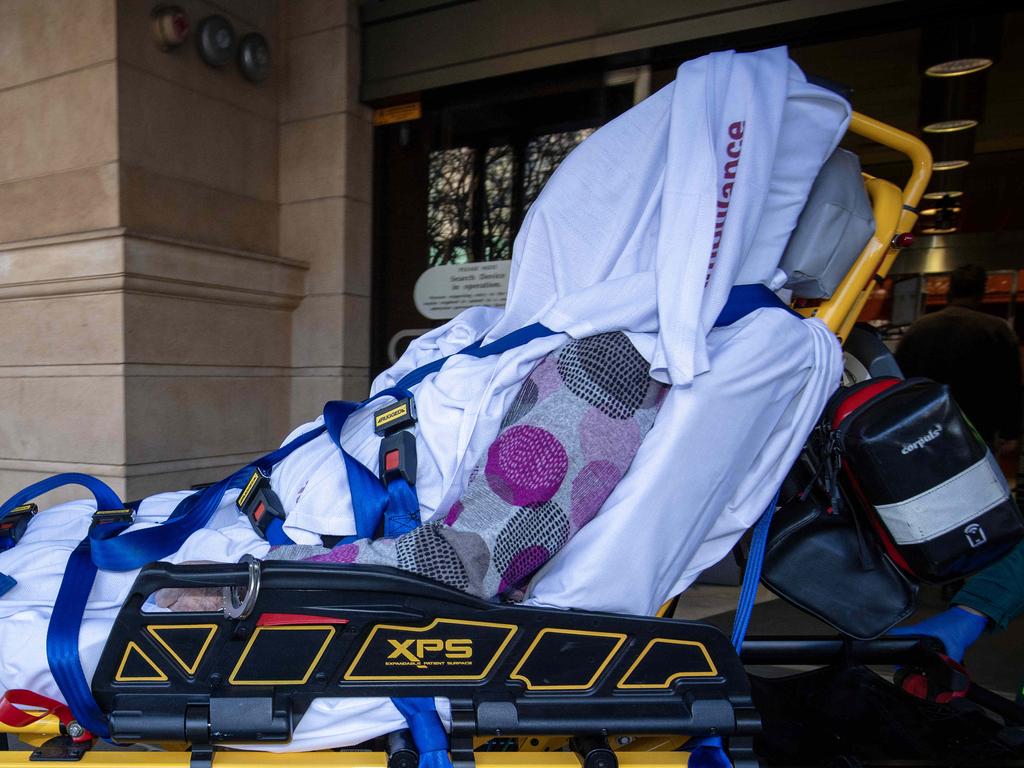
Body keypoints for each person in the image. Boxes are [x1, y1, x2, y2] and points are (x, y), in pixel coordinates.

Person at [895, 264, 1021, 450]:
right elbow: (1009, 385)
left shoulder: (919, 328)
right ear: (981, 291)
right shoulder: (996, 329)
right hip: (977, 427)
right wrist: (1010, 432)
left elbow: (899, 379)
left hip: (926, 426)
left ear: (950, 289)